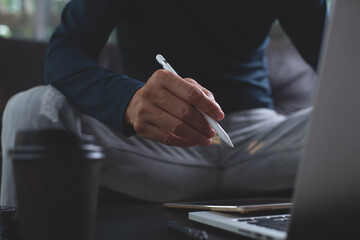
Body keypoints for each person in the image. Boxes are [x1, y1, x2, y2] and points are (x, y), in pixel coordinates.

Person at [1, 0, 328, 206]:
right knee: (28, 108)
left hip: (261, 142)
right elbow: (64, 54)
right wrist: (129, 100)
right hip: (155, 143)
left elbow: (336, 60)